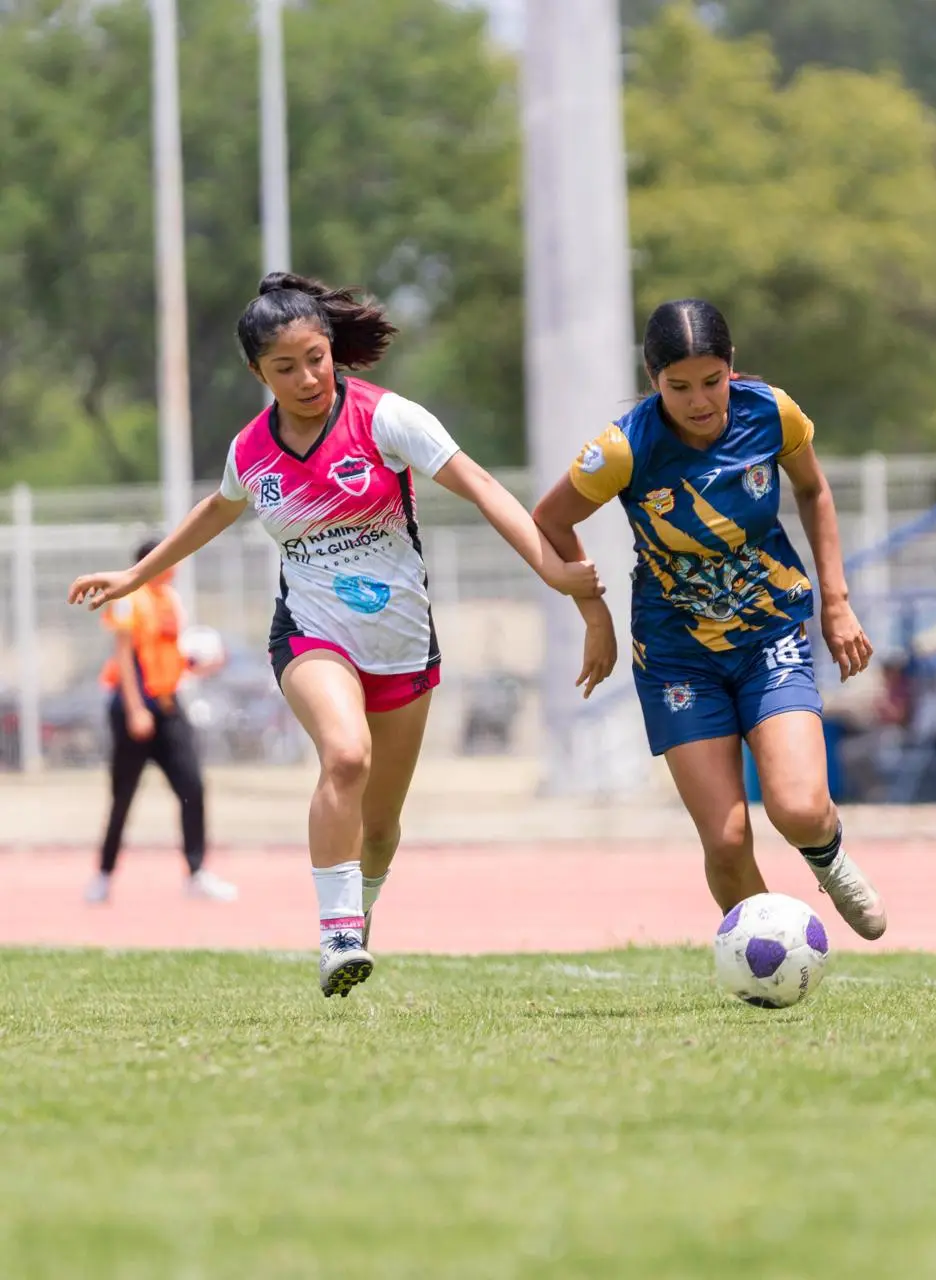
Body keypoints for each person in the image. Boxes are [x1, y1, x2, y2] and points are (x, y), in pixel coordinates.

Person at [68, 271, 603, 996]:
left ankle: (359, 917)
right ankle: (337, 937)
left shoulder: (388, 419)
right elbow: (215, 511)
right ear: (257, 372)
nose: (307, 377)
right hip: (311, 636)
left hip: (403, 645)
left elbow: (482, 487)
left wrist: (552, 571)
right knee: (344, 756)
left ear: (332, 350)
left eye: (315, 358)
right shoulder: (253, 451)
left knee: (380, 830)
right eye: (284, 368)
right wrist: (136, 577)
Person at [532, 298, 887, 941]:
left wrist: (835, 602)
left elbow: (814, 489)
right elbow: (550, 521)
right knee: (725, 841)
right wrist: (595, 616)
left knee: (800, 809)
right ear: (652, 379)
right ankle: (775, 954)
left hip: (769, 636)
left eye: (712, 381)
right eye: (679, 387)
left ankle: (828, 859)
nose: (699, 400)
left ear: (732, 368)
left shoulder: (771, 412)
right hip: (676, 656)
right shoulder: (623, 448)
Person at [85, 538, 237, 905]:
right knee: (123, 795)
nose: (175, 565)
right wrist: (136, 709)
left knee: (193, 787)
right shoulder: (130, 597)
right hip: (134, 708)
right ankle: (104, 875)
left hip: (169, 707)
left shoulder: (169, 600)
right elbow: (124, 656)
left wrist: (199, 665)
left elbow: (167, 656)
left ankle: (196, 872)